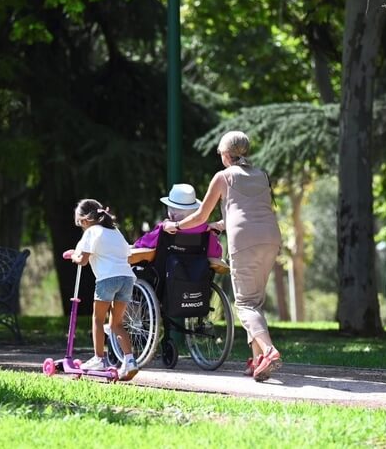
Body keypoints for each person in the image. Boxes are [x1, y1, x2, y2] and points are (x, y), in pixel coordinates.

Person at [162, 130, 282, 382]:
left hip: (245, 243)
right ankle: (256, 360)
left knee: (246, 304)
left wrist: (177, 227)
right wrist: (221, 224)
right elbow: (248, 211)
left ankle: (269, 351)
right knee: (255, 301)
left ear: (226, 154)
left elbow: (200, 216)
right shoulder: (262, 175)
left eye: (220, 153)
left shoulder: (223, 177)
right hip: (270, 239)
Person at [68, 199, 139, 381]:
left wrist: (74, 256)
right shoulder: (115, 231)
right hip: (127, 278)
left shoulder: (91, 232)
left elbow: (82, 260)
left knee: (98, 319)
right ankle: (130, 361)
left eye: (79, 223)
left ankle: (99, 358)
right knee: (116, 323)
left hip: (107, 279)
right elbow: (126, 254)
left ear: (85, 220)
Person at [133, 183, 223, 258]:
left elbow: (140, 244)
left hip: (164, 277)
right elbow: (216, 253)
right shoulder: (206, 230)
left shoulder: (164, 228)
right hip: (197, 278)